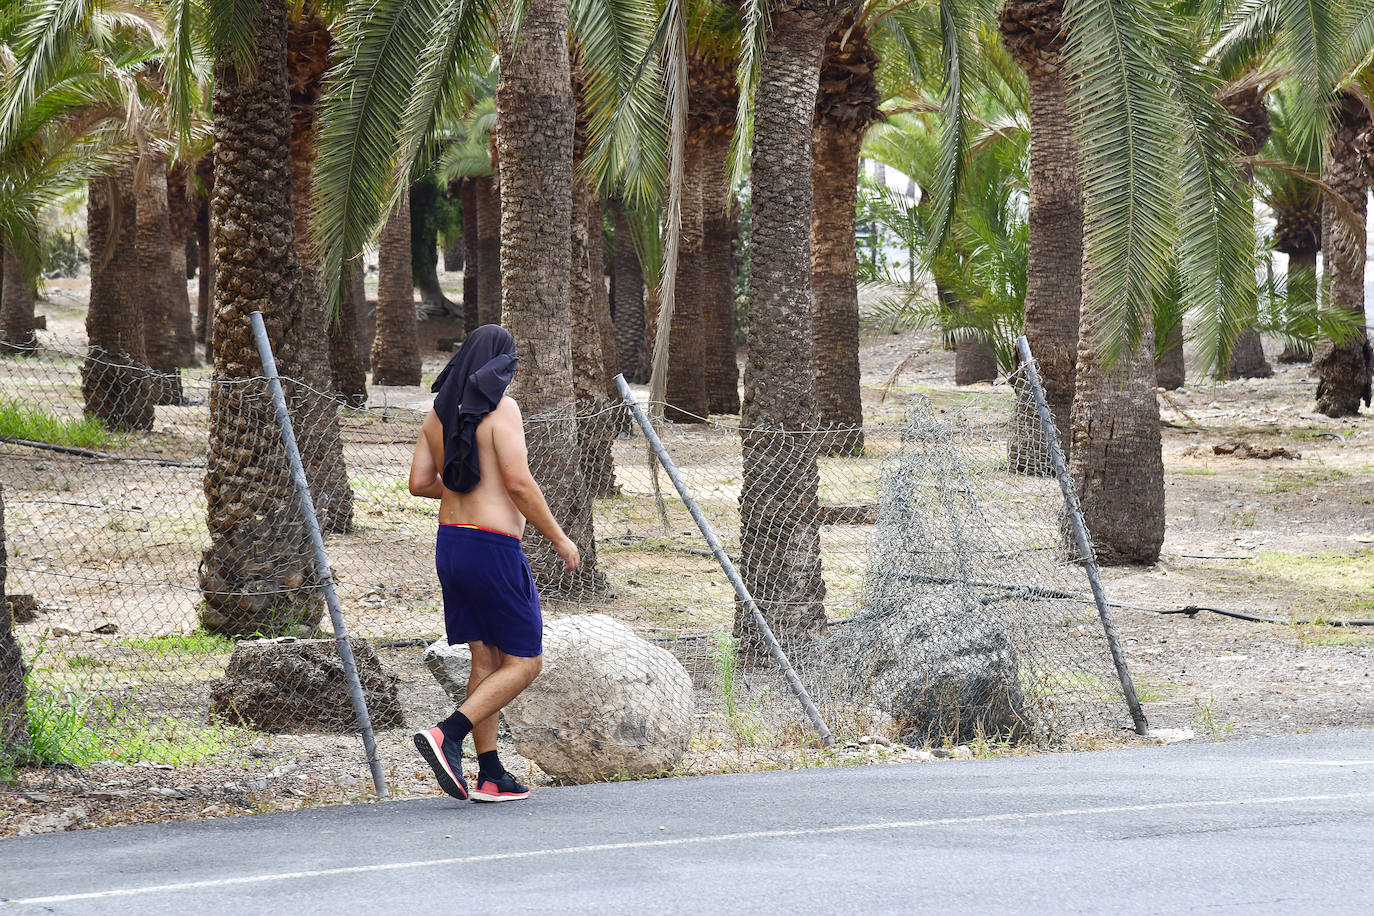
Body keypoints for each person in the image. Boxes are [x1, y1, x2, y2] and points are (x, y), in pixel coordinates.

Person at [408, 325, 580, 802]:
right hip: (492, 549)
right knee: (526, 662)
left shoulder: (437, 415)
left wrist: (467, 485)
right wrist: (561, 538)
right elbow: (520, 483)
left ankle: (490, 774)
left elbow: (420, 483)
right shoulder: (502, 409)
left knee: (485, 657)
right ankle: (448, 733)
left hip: (451, 546)